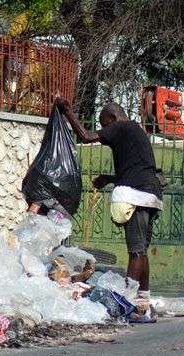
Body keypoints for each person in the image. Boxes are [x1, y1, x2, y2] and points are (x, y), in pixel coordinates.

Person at [55, 98, 163, 302]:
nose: (104, 130)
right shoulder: (135, 131)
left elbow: (85, 137)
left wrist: (68, 111)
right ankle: (144, 297)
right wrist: (109, 179)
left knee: (136, 251)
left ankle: (127, 298)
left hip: (136, 195)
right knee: (142, 251)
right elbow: (137, 168)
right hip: (151, 193)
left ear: (113, 118)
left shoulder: (120, 126)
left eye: (104, 124)